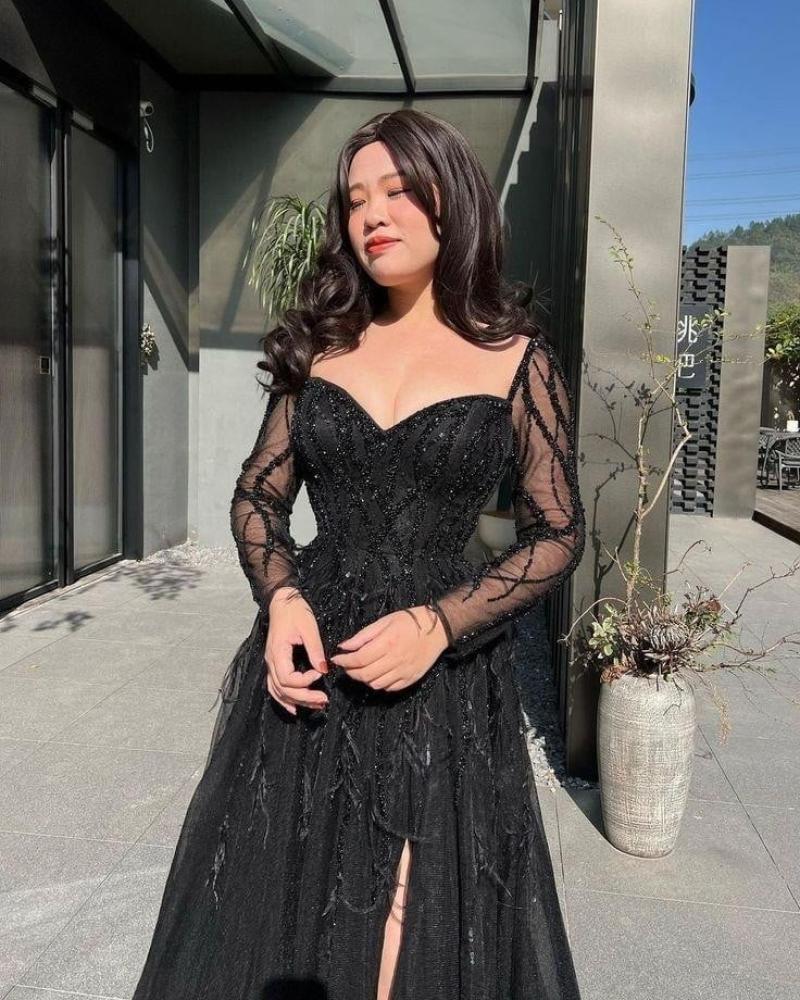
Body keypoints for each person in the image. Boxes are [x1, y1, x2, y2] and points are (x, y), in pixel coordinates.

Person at [131, 107, 585, 1000]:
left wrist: (441, 624)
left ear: (452, 200)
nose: (372, 213)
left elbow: (559, 532)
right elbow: (259, 495)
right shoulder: (323, 346)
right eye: (355, 199)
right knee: (286, 891)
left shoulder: (516, 358)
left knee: (407, 916)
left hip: (440, 672)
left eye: (397, 190)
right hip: (315, 661)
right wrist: (282, 602)